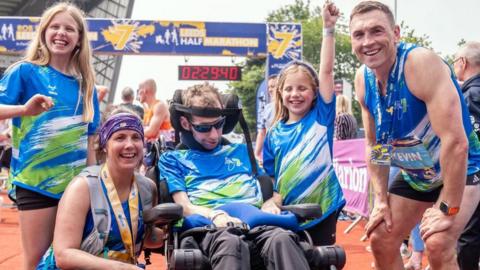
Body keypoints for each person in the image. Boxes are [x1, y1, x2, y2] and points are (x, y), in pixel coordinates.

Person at [349, 2, 480, 270]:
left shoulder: (420, 64)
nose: (368, 41)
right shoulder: (363, 80)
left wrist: (447, 208)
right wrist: (381, 201)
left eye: (377, 31)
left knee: (438, 242)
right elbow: (375, 146)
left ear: (396, 33)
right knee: (380, 238)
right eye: (359, 34)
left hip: (464, 168)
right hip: (419, 173)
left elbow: (456, 143)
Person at [159, 83, 330, 270]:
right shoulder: (173, 159)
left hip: (259, 226)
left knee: (283, 239)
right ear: (185, 123)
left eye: (219, 125)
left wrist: (272, 203)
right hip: (211, 230)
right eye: (204, 128)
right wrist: (215, 215)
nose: (214, 134)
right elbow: (184, 206)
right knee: (231, 244)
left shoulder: (242, 152)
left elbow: (272, 192)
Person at [0, 3, 100, 269]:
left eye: (69, 28)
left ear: (79, 39)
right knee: (37, 262)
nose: (61, 33)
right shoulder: (25, 72)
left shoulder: (86, 85)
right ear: (44, 32)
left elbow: (89, 141)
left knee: (71, 261)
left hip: (76, 189)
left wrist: (93, 185)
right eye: (55, 27)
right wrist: (23, 109)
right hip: (36, 184)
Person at [262, 1, 345, 246]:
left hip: (323, 208)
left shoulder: (321, 118)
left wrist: (328, 30)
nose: (295, 94)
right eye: (288, 89)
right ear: (280, 94)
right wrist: (271, 201)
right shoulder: (274, 133)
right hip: (287, 214)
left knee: (322, 261)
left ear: (314, 92)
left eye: (302, 88)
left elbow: (327, 72)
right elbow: (269, 176)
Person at [38, 112, 164, 269]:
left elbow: (141, 239)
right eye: (120, 137)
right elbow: (64, 255)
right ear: (105, 145)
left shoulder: (147, 188)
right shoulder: (83, 187)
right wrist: (123, 268)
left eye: (136, 137)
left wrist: (171, 230)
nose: (130, 144)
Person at [453, 41, 480, 270]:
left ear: (462, 63)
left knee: (468, 235)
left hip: (474, 180)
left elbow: (470, 146)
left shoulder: (469, 96)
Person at [254, 75, 277, 163]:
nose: (270, 90)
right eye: (269, 87)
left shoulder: (291, 106)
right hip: (271, 152)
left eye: (273, 86)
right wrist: (256, 154)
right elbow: (262, 132)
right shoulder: (267, 109)